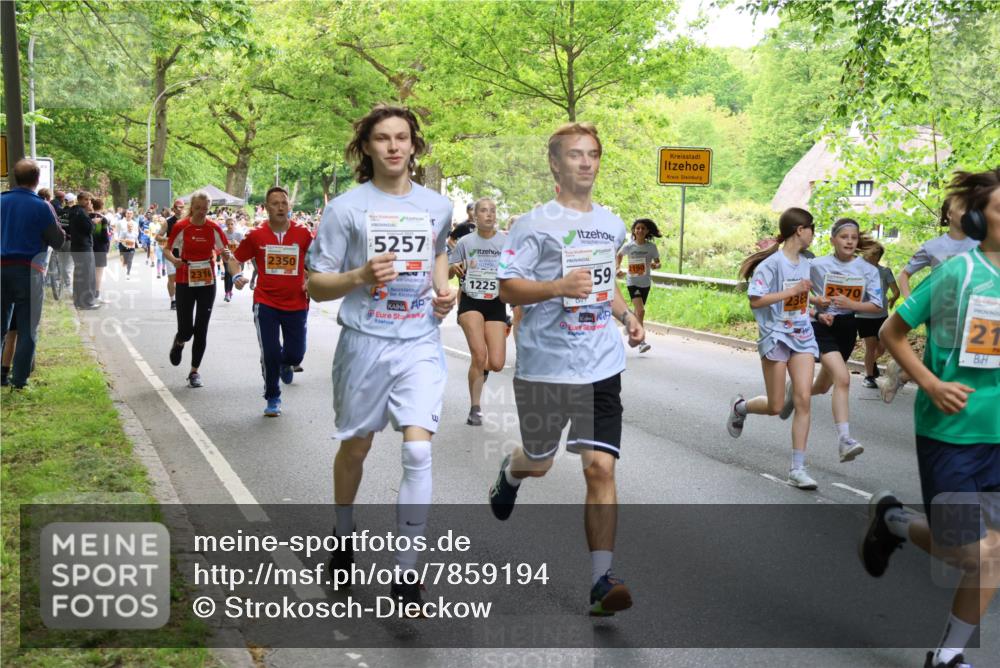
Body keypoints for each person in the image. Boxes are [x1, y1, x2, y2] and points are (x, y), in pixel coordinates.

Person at [488, 122, 644, 616]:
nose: (585, 162)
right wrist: (557, 287)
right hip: (546, 365)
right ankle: (511, 474)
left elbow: (606, 283)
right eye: (575, 155)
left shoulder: (612, 224)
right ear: (555, 163)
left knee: (600, 467)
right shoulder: (531, 225)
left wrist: (627, 316)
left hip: (599, 362)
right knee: (540, 460)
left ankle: (602, 581)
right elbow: (505, 287)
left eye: (593, 154)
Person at [306, 104, 455, 609]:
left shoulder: (437, 206)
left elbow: (437, 251)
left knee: (417, 450)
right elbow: (316, 285)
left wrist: (443, 289)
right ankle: (343, 532)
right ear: (367, 148)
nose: (393, 146)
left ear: (414, 145)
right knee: (357, 448)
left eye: (402, 138)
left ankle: (407, 570)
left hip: (418, 341)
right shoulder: (346, 209)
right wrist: (360, 277)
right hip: (364, 343)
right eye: (382, 139)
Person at [860, 168, 1000, 668]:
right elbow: (892, 330)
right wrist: (931, 382)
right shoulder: (958, 275)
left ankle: (946, 658)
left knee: (992, 558)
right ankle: (894, 521)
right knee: (971, 555)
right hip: (954, 434)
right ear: (983, 219)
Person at [727, 208, 819, 488]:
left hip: (802, 335)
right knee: (777, 405)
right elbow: (756, 300)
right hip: (775, 336)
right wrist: (791, 293)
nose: (814, 233)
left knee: (804, 399)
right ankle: (741, 407)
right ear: (799, 230)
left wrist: (816, 310)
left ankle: (797, 469)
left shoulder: (807, 263)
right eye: (811, 228)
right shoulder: (771, 264)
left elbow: (800, 299)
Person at [783, 218, 882, 466]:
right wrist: (817, 306)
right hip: (821, 325)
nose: (849, 241)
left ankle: (792, 392)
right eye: (844, 237)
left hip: (848, 327)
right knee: (844, 378)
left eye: (854, 237)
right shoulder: (817, 265)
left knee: (824, 386)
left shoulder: (867, 269)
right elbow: (798, 286)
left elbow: (877, 305)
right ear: (833, 240)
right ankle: (845, 439)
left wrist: (852, 305)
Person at [881, 196, 979, 403]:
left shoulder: (981, 242)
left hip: (975, 308)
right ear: (949, 214)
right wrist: (910, 302)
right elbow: (904, 275)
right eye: (961, 206)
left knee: (961, 361)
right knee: (945, 361)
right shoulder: (933, 246)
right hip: (942, 309)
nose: (967, 210)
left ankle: (902, 373)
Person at [233, 186, 312, 416]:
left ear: (290, 207)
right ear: (266, 207)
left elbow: (318, 261)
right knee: (269, 352)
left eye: (283, 203)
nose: (280, 207)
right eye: (275, 203)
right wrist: (237, 275)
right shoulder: (256, 235)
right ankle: (272, 396)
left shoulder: (303, 234)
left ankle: (286, 362)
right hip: (265, 302)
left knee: (296, 354)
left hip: (296, 302)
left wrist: (313, 279)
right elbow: (235, 260)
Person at [164, 192, 241, 388]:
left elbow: (226, 254)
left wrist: (226, 257)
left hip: (207, 280)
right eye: (198, 208)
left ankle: (194, 371)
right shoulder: (182, 226)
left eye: (205, 209)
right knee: (186, 329)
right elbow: (166, 248)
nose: (201, 212)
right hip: (185, 279)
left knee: (201, 328)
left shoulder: (213, 228)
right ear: (192, 207)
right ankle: (180, 341)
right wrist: (175, 260)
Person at [1, 159, 66, 389]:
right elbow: (57, 241)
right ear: (37, 179)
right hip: (29, 271)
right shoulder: (42, 206)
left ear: (14, 178)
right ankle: (19, 381)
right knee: (28, 328)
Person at [449, 197, 507, 426]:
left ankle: (480, 374)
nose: (489, 214)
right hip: (470, 301)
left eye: (493, 211)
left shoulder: (505, 243)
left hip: (495, 302)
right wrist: (453, 268)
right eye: (484, 210)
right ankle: (475, 407)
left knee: (496, 362)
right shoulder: (465, 242)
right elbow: (449, 273)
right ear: (475, 215)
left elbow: (515, 273)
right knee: (479, 355)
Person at [616, 218, 662, 353]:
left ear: (647, 231)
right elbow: (619, 255)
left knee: (638, 312)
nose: (640, 230)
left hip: (645, 282)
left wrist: (656, 265)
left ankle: (630, 323)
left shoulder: (651, 247)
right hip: (633, 282)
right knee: (641, 311)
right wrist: (618, 268)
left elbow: (658, 262)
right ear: (634, 231)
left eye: (643, 228)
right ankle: (641, 341)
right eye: (637, 228)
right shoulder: (629, 246)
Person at [857, 242, 899, 388]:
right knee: (870, 346)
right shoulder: (858, 272)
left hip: (881, 315)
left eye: (872, 254)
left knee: (881, 348)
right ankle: (868, 376)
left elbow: (896, 291)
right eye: (867, 253)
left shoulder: (885, 272)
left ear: (878, 257)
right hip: (863, 315)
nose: (867, 256)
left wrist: (893, 299)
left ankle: (870, 363)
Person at [68, 192, 100, 310]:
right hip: (83, 247)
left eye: (89, 200)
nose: (88, 202)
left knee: (79, 275)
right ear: (79, 200)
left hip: (76, 246)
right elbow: (89, 229)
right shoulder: (81, 212)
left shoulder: (73, 211)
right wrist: (94, 222)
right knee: (87, 275)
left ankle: (78, 301)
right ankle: (87, 302)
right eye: (86, 200)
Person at [156, 199, 186, 310]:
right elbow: (157, 237)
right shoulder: (168, 222)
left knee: (183, 279)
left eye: (182, 207)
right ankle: (173, 301)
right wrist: (167, 238)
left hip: (185, 254)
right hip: (171, 254)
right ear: (173, 209)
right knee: (172, 278)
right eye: (178, 207)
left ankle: (182, 299)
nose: (180, 209)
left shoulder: (189, 221)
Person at [91, 198, 112, 302]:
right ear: (102, 206)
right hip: (100, 248)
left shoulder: (87, 216)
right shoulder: (103, 219)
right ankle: (97, 294)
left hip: (89, 247)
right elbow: (104, 236)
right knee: (99, 272)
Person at [222, 217, 245, 302]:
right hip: (227, 256)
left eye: (232, 224)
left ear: (234, 224)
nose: (230, 226)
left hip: (235, 257)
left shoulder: (239, 234)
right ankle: (227, 292)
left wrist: (237, 243)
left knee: (231, 274)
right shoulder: (223, 233)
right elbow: (221, 245)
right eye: (228, 224)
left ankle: (229, 292)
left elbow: (244, 246)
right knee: (227, 273)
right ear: (226, 225)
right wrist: (226, 246)